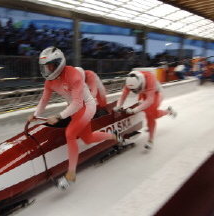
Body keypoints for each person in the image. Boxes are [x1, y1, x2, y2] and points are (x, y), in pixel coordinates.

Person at [28, 46, 121, 190]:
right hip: (74, 109)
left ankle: (71, 174)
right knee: (88, 138)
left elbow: (78, 103)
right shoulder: (49, 81)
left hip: (87, 107)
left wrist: (59, 116)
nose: (47, 70)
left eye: (50, 66)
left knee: (70, 133)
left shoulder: (73, 75)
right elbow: (44, 100)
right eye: (45, 67)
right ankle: (112, 136)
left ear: (59, 64)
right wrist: (35, 114)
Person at [113, 71, 176, 149]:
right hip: (144, 93)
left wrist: (134, 110)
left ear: (141, 82)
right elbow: (123, 95)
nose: (134, 91)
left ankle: (151, 140)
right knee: (147, 110)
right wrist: (119, 106)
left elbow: (150, 100)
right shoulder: (130, 81)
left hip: (156, 93)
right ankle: (168, 111)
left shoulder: (150, 79)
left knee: (151, 114)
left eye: (136, 89)